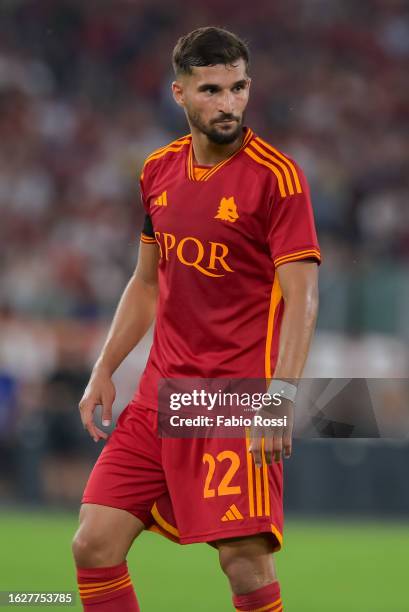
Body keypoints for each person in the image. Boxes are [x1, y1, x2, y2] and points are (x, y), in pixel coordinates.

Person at [72, 26, 320, 612]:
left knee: (245, 566)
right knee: (94, 544)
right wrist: (105, 366)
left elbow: (303, 296)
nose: (228, 104)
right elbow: (146, 281)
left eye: (237, 88)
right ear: (179, 94)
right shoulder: (157, 170)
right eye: (211, 90)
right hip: (161, 394)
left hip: (234, 398)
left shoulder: (276, 178)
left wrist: (280, 395)